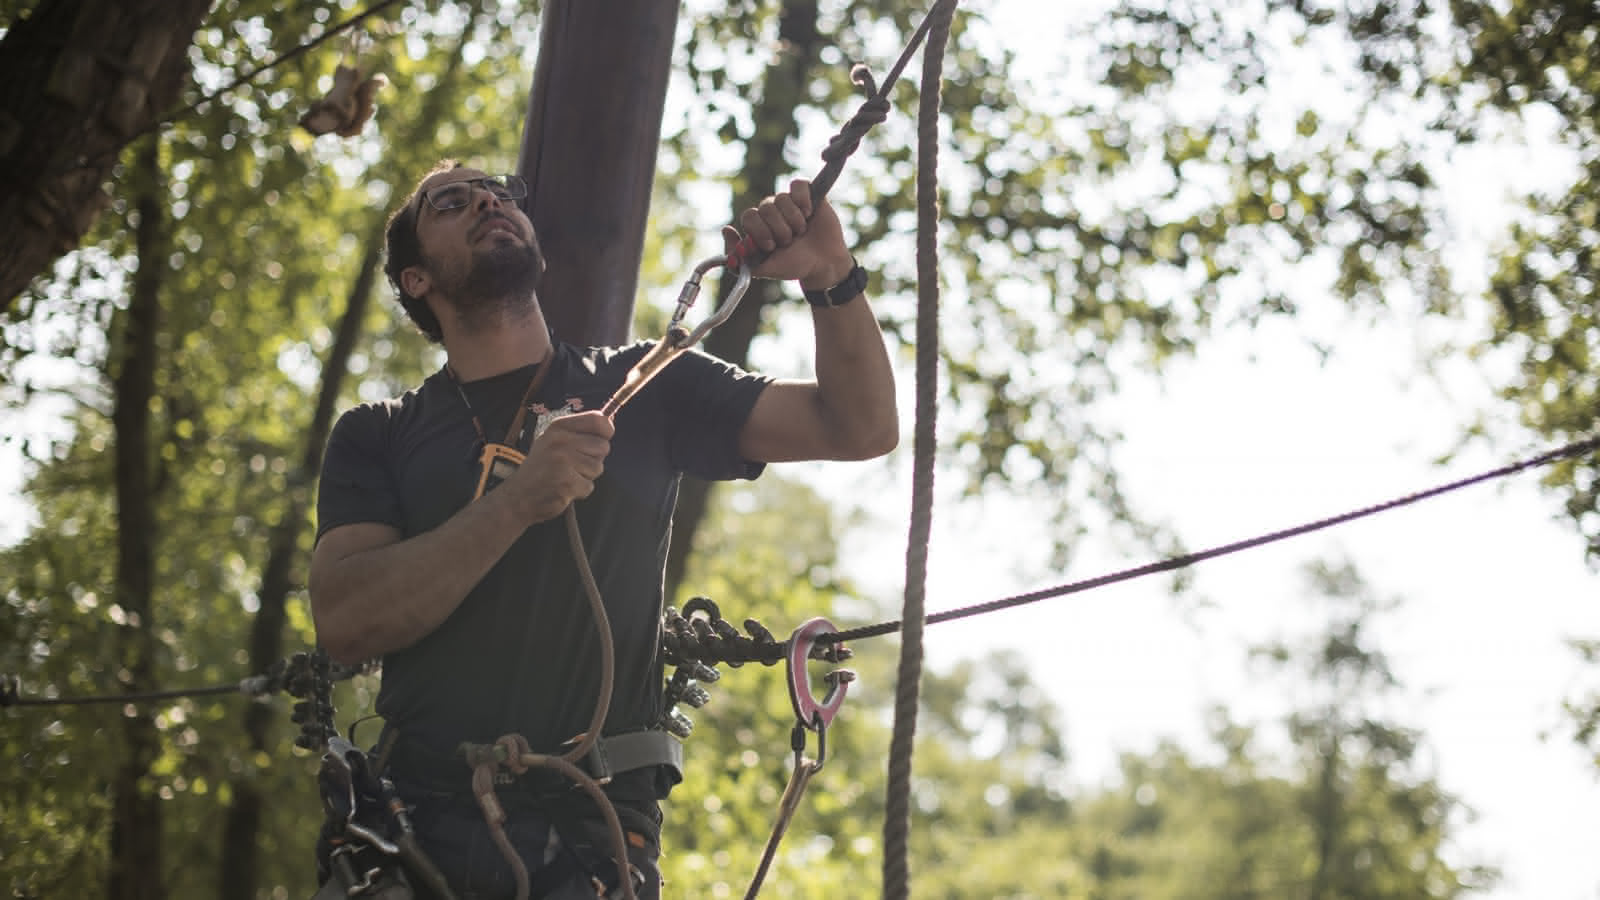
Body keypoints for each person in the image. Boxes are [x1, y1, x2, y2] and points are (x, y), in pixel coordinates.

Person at [308, 160, 897, 899]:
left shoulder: (650, 385)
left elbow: (861, 426)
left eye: (499, 192)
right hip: (410, 828)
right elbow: (346, 620)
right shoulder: (379, 435)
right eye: (451, 202)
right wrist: (518, 500)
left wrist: (830, 274)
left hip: (592, 837)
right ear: (417, 278)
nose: (488, 200)